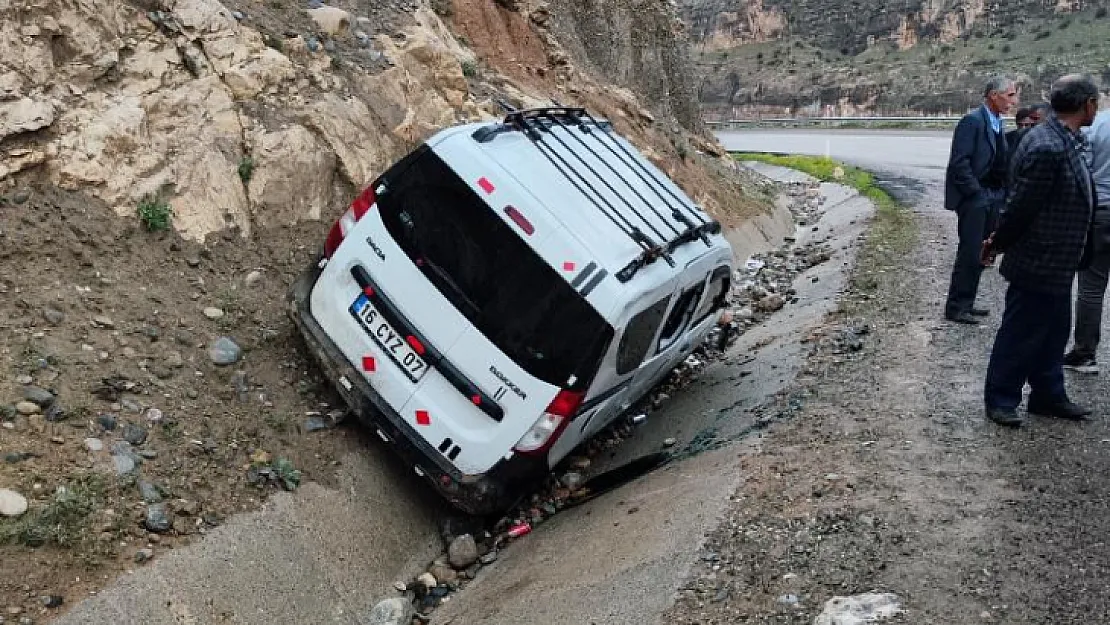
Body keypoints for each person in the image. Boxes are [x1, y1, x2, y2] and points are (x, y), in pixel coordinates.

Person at [981, 74, 1099, 427]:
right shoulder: (1048, 145)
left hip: (1059, 261)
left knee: (1052, 332)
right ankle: (1001, 398)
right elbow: (1021, 207)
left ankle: (1048, 395)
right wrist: (997, 242)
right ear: (1087, 104)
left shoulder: (1064, 139)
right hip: (1039, 259)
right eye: (1097, 102)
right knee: (1021, 332)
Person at [944, 75, 1019, 324]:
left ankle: (967, 301)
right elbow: (960, 162)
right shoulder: (972, 122)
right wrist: (976, 194)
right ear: (993, 95)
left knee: (982, 251)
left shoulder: (996, 122)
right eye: (1009, 95)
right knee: (969, 251)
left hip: (992, 196)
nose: (1014, 101)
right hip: (976, 198)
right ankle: (956, 306)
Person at [1062, 107, 1110, 374]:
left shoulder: (1097, 125)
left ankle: (1085, 353)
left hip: (1102, 212)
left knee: (1091, 287)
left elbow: (1082, 172)